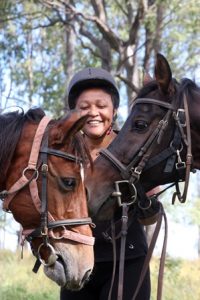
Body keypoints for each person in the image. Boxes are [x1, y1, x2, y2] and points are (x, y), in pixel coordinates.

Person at [60, 67, 150, 300]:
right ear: (73, 112)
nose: (94, 113)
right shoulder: (61, 155)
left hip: (127, 261)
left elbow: (151, 218)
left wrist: (147, 202)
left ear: (115, 110)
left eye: (101, 106)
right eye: (84, 107)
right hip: (77, 262)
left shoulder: (135, 150)